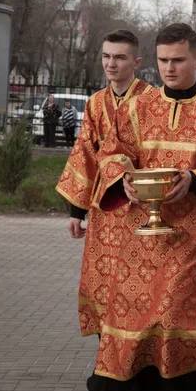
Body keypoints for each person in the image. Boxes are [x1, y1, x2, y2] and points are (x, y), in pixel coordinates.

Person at [89, 22, 196, 391]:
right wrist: (122, 178)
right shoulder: (136, 107)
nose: (169, 68)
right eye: (163, 60)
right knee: (135, 325)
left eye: (178, 60)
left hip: (190, 245)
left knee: (174, 319)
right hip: (138, 243)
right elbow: (111, 151)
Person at [56, 30, 153, 361]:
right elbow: (84, 151)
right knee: (103, 289)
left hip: (139, 210)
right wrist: (75, 210)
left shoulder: (152, 101)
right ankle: (107, 366)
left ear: (136, 62)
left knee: (136, 291)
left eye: (120, 57)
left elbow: (159, 155)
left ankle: (136, 370)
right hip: (103, 214)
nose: (111, 64)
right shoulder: (96, 102)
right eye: (106, 56)